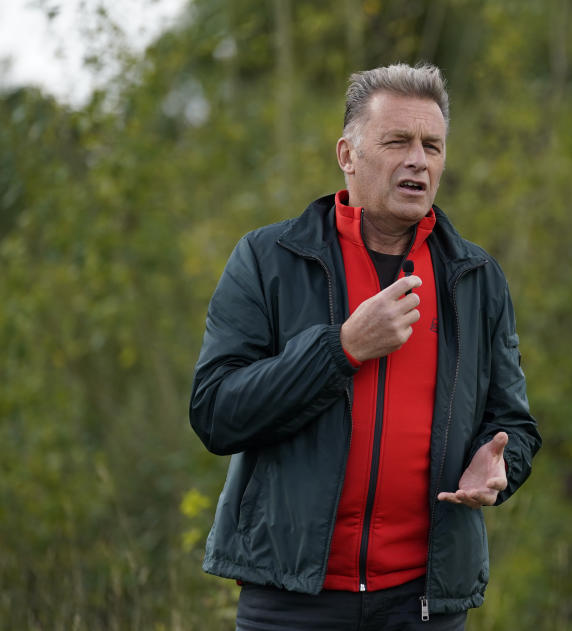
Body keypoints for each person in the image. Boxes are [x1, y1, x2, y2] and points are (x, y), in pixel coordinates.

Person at [189, 63, 541, 630]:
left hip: (425, 603)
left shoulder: (476, 277)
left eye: (432, 145)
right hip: (291, 601)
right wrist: (342, 349)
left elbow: (515, 425)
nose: (418, 161)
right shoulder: (267, 259)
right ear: (347, 155)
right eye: (397, 141)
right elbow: (215, 413)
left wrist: (498, 468)